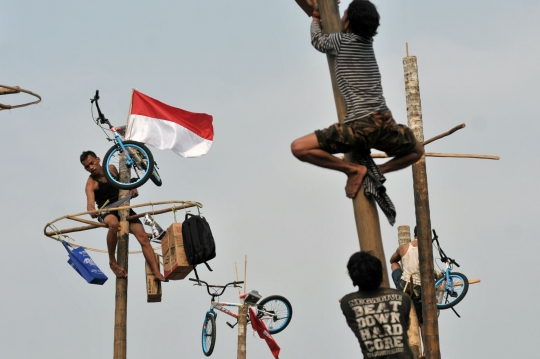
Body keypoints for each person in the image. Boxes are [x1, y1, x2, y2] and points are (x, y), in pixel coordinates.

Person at [291, 0, 423, 198]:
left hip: (361, 125)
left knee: (299, 148)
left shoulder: (341, 42)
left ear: (347, 24)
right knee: (417, 150)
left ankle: (352, 170)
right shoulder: (367, 43)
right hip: (384, 121)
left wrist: (316, 17)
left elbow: (318, 41)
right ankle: (380, 171)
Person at [80, 150, 166, 281]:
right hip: (107, 211)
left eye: (92, 163)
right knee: (113, 224)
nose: (91, 168)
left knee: (143, 237)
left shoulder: (112, 168)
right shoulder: (91, 183)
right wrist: (92, 211)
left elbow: (124, 181)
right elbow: (90, 205)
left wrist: (133, 186)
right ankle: (112, 262)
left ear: (98, 159)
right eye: (87, 167)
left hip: (124, 207)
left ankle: (156, 273)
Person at [341, 251, 415, 358]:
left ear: (353, 279)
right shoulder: (403, 298)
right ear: (380, 275)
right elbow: (407, 325)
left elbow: (351, 323)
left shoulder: (348, 303)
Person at [389, 227, 423, 338]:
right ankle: (426, 352)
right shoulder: (426, 250)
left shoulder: (403, 248)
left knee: (394, 265)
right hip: (418, 287)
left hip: (404, 284)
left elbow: (392, 260)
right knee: (422, 323)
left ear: (415, 236)